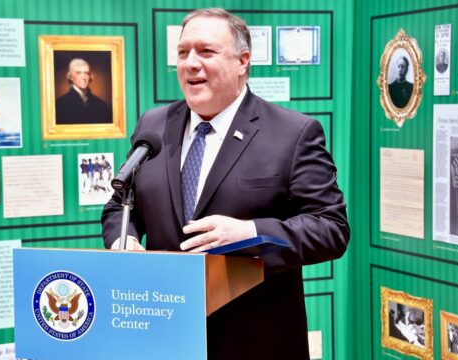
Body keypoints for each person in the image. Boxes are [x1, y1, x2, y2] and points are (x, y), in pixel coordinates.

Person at [101, 8, 349, 359]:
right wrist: (122, 237)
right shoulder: (153, 125)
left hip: (254, 340)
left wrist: (251, 232)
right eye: (183, 52)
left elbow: (331, 229)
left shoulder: (292, 134)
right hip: (163, 335)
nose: (190, 63)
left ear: (242, 61)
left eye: (206, 51)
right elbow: (121, 203)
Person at [55, 58, 112, 124]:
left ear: (90, 76)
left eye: (86, 73)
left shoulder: (101, 105)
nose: (83, 77)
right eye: (78, 73)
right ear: (70, 77)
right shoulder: (60, 104)